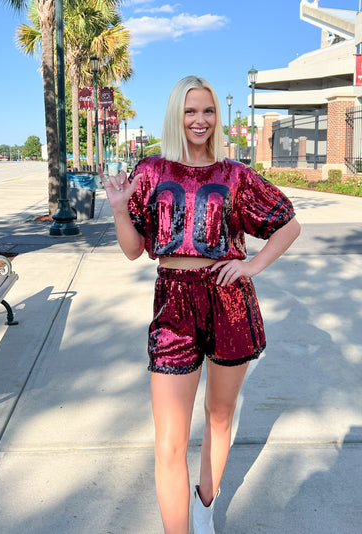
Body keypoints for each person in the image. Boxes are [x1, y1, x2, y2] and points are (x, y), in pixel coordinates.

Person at [99, 75, 301, 534]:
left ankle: (205, 505)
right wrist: (117, 210)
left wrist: (252, 266)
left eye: (208, 110)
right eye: (191, 111)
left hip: (227, 297)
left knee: (220, 414)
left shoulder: (236, 174)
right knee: (169, 443)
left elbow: (288, 225)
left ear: (217, 116)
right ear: (177, 115)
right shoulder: (151, 170)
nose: (200, 119)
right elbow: (134, 250)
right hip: (174, 301)